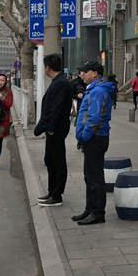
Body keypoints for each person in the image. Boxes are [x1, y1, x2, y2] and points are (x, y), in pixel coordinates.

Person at [73, 61, 113, 225]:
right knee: (89, 176)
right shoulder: (93, 90)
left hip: (95, 138)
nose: (82, 75)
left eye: (85, 71)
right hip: (92, 138)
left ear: (95, 73)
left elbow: (94, 118)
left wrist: (84, 135)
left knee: (94, 177)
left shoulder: (97, 92)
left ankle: (97, 212)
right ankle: (89, 209)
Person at [34, 53, 73, 207]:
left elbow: (56, 109)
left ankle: (57, 195)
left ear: (48, 67)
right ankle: (51, 191)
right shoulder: (58, 81)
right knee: (50, 160)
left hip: (56, 130)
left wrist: (49, 128)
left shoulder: (61, 83)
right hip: (53, 129)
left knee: (57, 162)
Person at [0, 73, 13, 170]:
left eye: (3, 80)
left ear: (5, 82)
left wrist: (0, 96)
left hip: (2, 120)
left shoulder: (8, 91)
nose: (1, 82)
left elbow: (9, 104)